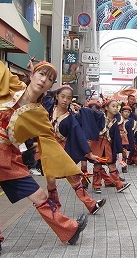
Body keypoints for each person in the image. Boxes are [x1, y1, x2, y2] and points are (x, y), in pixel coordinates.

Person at [0, 26, 88, 258]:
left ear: (51, 86)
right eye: (42, 74)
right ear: (32, 74)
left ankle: (70, 230)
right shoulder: (11, 84)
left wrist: (71, 169)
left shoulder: (40, 114)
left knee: (40, 196)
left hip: (6, 156)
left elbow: (50, 144)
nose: (44, 80)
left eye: (50, 79)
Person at [41, 85, 107, 214]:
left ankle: (90, 204)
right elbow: (42, 93)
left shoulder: (71, 118)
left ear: (72, 100)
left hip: (62, 151)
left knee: (74, 178)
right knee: (50, 179)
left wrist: (89, 153)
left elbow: (79, 135)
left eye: (69, 98)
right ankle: (54, 206)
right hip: (46, 149)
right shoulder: (49, 108)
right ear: (57, 96)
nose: (65, 100)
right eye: (62, 96)